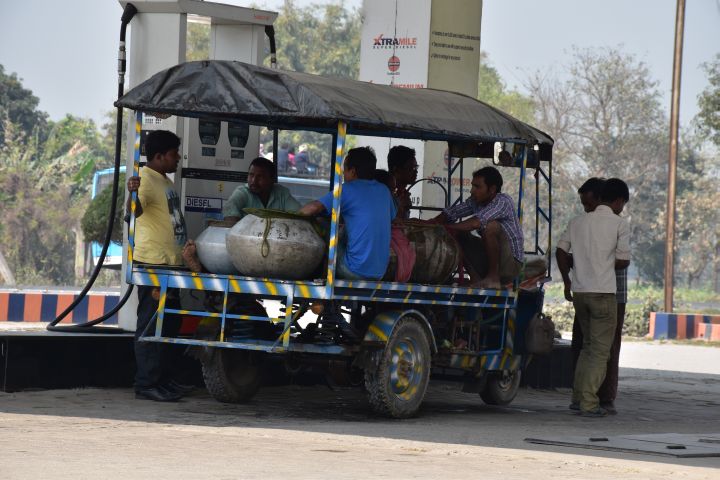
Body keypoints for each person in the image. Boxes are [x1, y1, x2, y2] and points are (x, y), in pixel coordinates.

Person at [126, 130, 195, 402]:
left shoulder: (163, 180)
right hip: (154, 264)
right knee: (151, 326)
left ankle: (163, 380)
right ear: (159, 156)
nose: (178, 158)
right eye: (174, 154)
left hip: (170, 265)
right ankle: (146, 384)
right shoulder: (143, 179)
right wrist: (131, 194)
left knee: (168, 327)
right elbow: (133, 213)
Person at [556, 178, 631, 417]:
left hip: (580, 292)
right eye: (622, 203)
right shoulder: (619, 224)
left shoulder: (577, 222)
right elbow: (624, 260)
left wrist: (569, 279)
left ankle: (577, 398)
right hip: (603, 293)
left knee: (587, 348)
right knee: (600, 352)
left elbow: (561, 250)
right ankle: (589, 403)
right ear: (618, 200)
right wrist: (604, 261)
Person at [299, 147, 396, 280]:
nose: (344, 174)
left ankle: (317, 281)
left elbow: (313, 208)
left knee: (323, 226)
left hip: (353, 270)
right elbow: (391, 217)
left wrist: (292, 217)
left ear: (353, 171)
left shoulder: (347, 189)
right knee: (344, 231)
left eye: (345, 169)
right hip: (379, 273)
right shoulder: (384, 190)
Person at [428, 166, 523, 289]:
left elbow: (476, 223)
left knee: (490, 226)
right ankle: (475, 278)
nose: (472, 191)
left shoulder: (503, 201)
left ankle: (493, 278)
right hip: (489, 261)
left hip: (510, 265)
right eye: (473, 186)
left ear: (492, 189)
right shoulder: (475, 201)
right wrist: (429, 224)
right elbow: (450, 213)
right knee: (458, 233)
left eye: (477, 187)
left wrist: (445, 228)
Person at [223, 157, 301, 224]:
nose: (253, 181)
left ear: (272, 179)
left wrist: (312, 208)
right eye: (251, 175)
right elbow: (229, 207)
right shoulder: (243, 192)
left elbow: (299, 214)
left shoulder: (282, 193)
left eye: (260, 177)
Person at [387, 145, 418, 219]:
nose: (416, 171)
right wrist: (401, 207)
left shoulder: (403, 194)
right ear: (396, 169)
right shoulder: (386, 194)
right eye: (411, 168)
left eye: (416, 167)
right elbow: (390, 225)